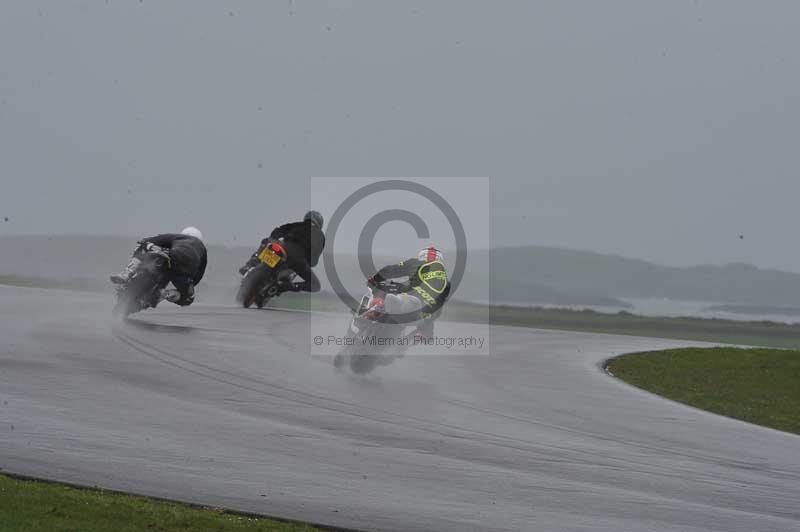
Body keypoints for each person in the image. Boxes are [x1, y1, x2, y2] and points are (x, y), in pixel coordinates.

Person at [110, 226, 207, 306]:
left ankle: (127, 273)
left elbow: (146, 240)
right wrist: (187, 287)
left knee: (142, 244)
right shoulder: (202, 250)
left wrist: (148, 247)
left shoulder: (177, 237)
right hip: (184, 275)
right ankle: (164, 294)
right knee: (188, 299)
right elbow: (199, 275)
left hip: (172, 257)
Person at [367, 246, 450, 339]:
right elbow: (439, 309)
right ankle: (412, 340)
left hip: (408, 299)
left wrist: (375, 279)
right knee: (427, 330)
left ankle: (374, 309)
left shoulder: (416, 263)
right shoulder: (446, 282)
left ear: (422, 256)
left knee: (381, 287)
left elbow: (389, 270)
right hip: (424, 313)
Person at [238, 210, 325, 294]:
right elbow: (314, 260)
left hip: (283, 248)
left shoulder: (297, 225)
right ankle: (285, 286)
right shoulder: (321, 236)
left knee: (266, 242)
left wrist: (273, 240)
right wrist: (306, 264)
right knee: (316, 285)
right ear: (319, 223)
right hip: (297, 260)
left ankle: (249, 264)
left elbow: (278, 231)